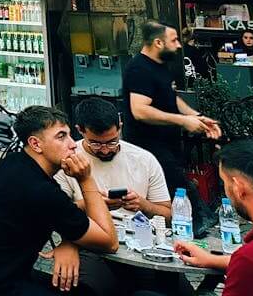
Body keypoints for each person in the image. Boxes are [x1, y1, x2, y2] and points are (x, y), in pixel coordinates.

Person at [0, 106, 118, 296]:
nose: (73, 144)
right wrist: (86, 180)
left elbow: (56, 213)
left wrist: (71, 238)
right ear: (36, 144)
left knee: (85, 290)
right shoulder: (40, 190)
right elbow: (110, 242)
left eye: (69, 135)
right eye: (61, 136)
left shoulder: (16, 163)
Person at [51, 97, 171, 296]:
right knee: (87, 286)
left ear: (120, 127)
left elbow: (167, 214)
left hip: (142, 242)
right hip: (92, 245)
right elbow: (59, 215)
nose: (106, 149)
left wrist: (143, 205)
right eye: (96, 144)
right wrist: (94, 203)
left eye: (112, 142)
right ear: (80, 131)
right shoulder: (68, 162)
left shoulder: (144, 159)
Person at [123, 21, 221, 232]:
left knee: (177, 186)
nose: (178, 45)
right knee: (178, 184)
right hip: (147, 143)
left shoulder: (160, 65)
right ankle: (192, 226)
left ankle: (190, 225)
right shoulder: (139, 69)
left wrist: (197, 117)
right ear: (158, 42)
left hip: (167, 141)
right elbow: (139, 110)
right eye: (174, 40)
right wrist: (183, 121)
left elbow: (172, 98)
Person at [172, 139, 253, 295]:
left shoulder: (250, 259)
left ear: (238, 187)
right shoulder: (251, 258)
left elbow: (252, 262)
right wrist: (211, 260)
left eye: (224, 182)